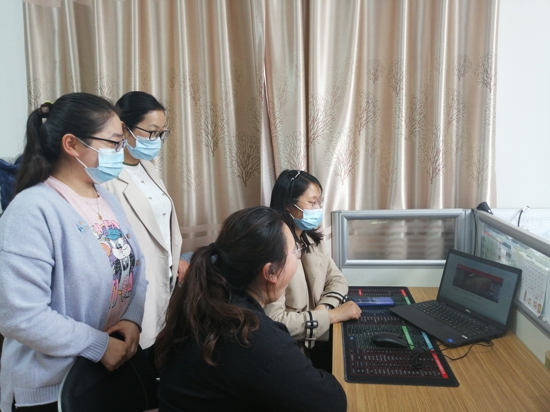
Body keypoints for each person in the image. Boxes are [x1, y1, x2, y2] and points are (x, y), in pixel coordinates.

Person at [0, 93, 147, 412]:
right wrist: (98, 345)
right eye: (114, 142)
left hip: (101, 377)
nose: (120, 152)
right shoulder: (32, 210)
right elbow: (20, 316)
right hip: (51, 388)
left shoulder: (106, 199)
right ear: (72, 144)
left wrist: (131, 320)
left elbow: (136, 264)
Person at [154, 206, 347, 412]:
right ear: (270, 272)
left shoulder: (206, 303)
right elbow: (332, 403)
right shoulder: (251, 337)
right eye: (295, 251)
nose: (298, 256)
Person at [102, 91, 185, 349]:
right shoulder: (108, 176)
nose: (156, 140)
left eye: (161, 133)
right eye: (151, 132)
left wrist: (175, 258)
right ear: (124, 128)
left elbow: (160, 223)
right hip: (134, 284)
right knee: (141, 348)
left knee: (162, 344)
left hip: (167, 274)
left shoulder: (147, 166)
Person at [264, 170, 361, 365]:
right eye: (312, 202)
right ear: (288, 205)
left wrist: (323, 309)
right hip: (292, 352)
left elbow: (337, 279)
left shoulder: (310, 238)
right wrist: (330, 316)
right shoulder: (274, 250)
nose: (318, 209)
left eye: (319, 202)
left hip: (319, 339)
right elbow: (274, 322)